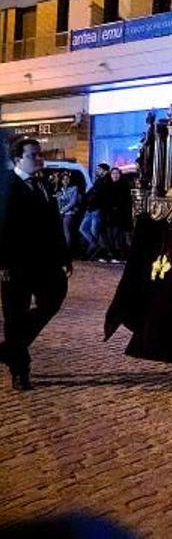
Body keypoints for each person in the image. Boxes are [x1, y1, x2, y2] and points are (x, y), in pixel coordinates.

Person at [0, 138, 72, 390]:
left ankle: (9, 349)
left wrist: (64, 255)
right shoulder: (7, 185)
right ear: (17, 159)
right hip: (16, 264)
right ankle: (20, 371)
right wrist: (3, 264)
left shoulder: (42, 183)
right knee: (14, 315)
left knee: (54, 298)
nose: (39, 158)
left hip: (46, 262)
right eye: (33, 155)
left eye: (40, 153)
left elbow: (54, 222)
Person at [103, 167, 133, 262]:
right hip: (109, 215)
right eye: (113, 173)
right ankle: (110, 253)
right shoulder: (107, 185)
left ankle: (118, 255)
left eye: (117, 173)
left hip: (119, 215)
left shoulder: (124, 186)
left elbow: (126, 202)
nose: (115, 175)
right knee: (109, 234)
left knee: (117, 236)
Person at [80, 163, 110, 257]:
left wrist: (90, 199)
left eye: (99, 169)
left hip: (97, 209)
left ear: (104, 170)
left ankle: (93, 251)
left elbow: (99, 195)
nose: (97, 171)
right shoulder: (99, 180)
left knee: (94, 231)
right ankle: (94, 245)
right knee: (83, 228)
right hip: (91, 208)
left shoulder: (106, 181)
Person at [56, 170, 83, 249]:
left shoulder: (74, 188)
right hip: (61, 214)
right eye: (64, 179)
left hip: (69, 213)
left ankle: (68, 250)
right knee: (62, 233)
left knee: (67, 232)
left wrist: (62, 210)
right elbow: (59, 202)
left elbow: (73, 202)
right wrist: (60, 210)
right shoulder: (60, 190)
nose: (65, 180)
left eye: (67, 179)